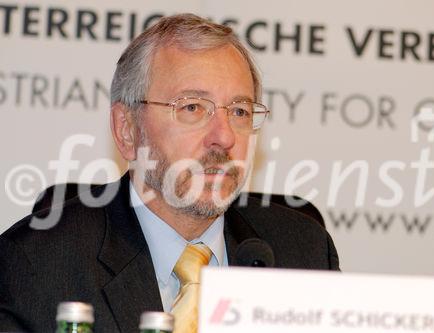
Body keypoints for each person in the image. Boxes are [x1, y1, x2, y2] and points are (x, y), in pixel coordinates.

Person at [0, 14, 340, 332]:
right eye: (192, 107)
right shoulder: (36, 265)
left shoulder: (305, 254)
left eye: (239, 110)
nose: (224, 137)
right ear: (127, 130)